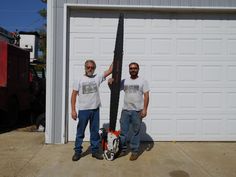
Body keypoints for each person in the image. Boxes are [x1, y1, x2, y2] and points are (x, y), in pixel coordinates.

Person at [71, 59, 112, 161]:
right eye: (88, 67)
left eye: (92, 67)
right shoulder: (79, 79)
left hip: (95, 109)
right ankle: (77, 152)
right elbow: (74, 95)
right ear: (85, 68)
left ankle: (94, 151)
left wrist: (116, 55)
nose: (90, 69)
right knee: (80, 132)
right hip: (83, 110)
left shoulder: (97, 77)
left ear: (94, 68)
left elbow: (110, 70)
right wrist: (73, 110)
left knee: (94, 132)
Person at [109, 62, 149, 161]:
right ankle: (122, 150)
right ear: (129, 69)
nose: (133, 70)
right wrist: (110, 83)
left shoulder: (143, 81)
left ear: (138, 69)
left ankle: (135, 152)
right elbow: (115, 90)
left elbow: (146, 96)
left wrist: (145, 109)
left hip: (137, 111)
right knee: (123, 133)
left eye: (135, 68)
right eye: (131, 68)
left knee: (136, 132)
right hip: (125, 111)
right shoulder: (125, 81)